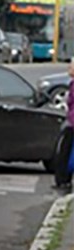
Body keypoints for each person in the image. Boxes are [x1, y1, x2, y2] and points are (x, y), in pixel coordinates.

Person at [53, 59, 74, 191]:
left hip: (72, 123)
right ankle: (64, 179)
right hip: (71, 120)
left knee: (65, 152)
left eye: (71, 66)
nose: (69, 68)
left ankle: (63, 180)